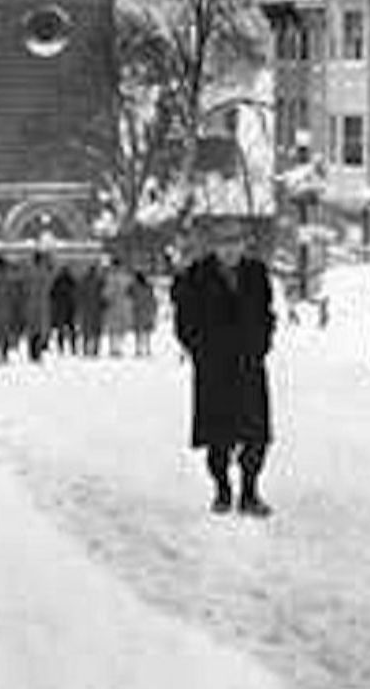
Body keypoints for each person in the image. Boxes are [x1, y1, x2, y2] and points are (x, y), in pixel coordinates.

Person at [173, 216, 278, 517]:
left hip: (249, 363)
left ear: (244, 245)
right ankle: (222, 489)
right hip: (214, 368)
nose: (231, 250)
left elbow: (266, 313)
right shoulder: (198, 275)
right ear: (215, 247)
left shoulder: (256, 273)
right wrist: (199, 351)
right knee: (217, 436)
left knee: (256, 435)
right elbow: (185, 321)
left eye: (236, 243)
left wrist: (262, 342)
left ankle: (249, 491)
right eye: (224, 244)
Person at [102, 255, 133, 358]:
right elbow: (130, 289)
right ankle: (117, 347)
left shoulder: (110, 277)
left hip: (114, 304)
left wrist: (105, 298)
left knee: (114, 328)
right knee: (119, 328)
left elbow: (107, 291)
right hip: (122, 304)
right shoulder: (125, 276)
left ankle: (114, 348)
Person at [130, 267, 158, 358]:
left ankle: (138, 348)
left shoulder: (134, 287)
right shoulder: (148, 287)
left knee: (139, 331)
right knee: (146, 331)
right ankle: (147, 348)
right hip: (146, 310)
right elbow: (152, 298)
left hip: (138, 310)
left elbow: (131, 298)